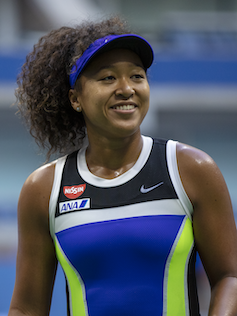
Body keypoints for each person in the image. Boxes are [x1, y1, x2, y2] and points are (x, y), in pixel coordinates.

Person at [8, 16, 237, 316]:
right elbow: (26, 309)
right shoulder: (44, 189)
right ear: (75, 98)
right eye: (108, 78)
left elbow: (229, 277)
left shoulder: (191, 169)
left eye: (137, 76)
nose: (126, 88)